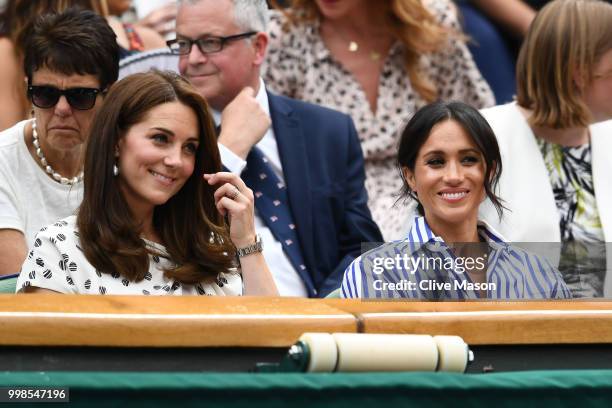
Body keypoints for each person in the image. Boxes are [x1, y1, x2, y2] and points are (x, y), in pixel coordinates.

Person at [171, 0, 383, 297]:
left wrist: (324, 313)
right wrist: (228, 150)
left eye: (209, 42)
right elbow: (173, 232)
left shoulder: (328, 131)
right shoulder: (169, 140)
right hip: (227, 323)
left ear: (258, 47)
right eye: (183, 44)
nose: (191, 59)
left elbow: (362, 248)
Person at [17, 71, 278, 296]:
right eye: (160, 139)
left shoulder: (206, 247)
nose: (176, 160)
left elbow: (273, 337)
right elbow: (44, 354)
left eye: (189, 147)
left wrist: (246, 242)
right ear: (117, 141)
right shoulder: (60, 248)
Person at [264, 0, 495, 240]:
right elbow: (271, 141)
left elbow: (477, 119)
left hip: (430, 180)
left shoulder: (430, 21)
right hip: (331, 198)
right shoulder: (284, 36)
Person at [341, 101, 571, 300]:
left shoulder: (539, 275)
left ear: (489, 173)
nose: (454, 176)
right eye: (436, 162)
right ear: (410, 176)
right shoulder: (372, 273)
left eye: (469, 160)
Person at [479, 0, 612, 298]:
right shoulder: (479, 137)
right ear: (578, 73)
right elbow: (433, 260)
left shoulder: (607, 134)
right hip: (511, 334)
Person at [0, 8, 119, 276]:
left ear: (109, 96)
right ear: (27, 87)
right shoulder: (3, 161)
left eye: (79, 96)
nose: (62, 109)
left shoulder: (125, 158)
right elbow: (20, 288)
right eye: (45, 94)